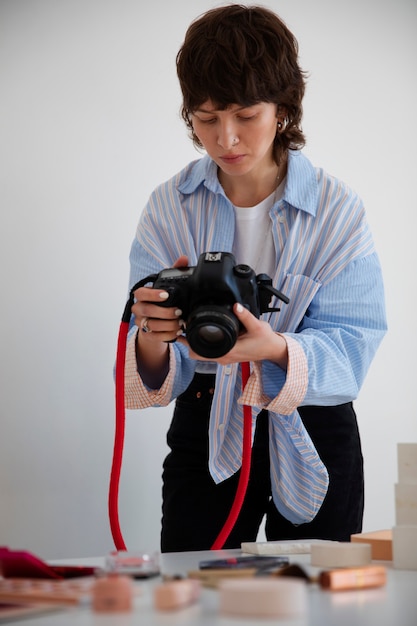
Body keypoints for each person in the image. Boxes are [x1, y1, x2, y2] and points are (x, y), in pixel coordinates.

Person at [123, 4, 387, 552]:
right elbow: (151, 363)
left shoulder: (337, 211)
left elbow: (354, 348)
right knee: (195, 595)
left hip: (314, 424)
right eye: (206, 117)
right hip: (205, 417)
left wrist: (274, 351)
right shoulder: (168, 208)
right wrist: (152, 333)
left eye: (245, 115)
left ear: (284, 109)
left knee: (322, 599)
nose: (226, 138)